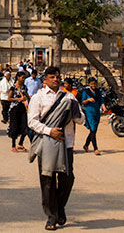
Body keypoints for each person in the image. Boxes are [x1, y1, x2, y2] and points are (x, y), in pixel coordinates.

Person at [27, 66, 82, 230]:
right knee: (48, 181)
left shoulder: (69, 98)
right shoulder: (38, 98)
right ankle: (51, 216)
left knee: (67, 179)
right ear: (45, 80)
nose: (56, 79)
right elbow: (32, 121)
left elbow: (81, 120)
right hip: (47, 144)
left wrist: (76, 114)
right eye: (52, 77)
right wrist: (49, 131)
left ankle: (59, 207)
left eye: (58, 77)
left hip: (66, 143)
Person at [80, 77, 103, 154]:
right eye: (92, 84)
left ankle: (86, 145)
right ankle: (95, 148)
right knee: (92, 129)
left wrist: (103, 106)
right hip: (89, 112)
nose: (94, 85)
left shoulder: (98, 91)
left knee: (94, 130)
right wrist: (88, 100)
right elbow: (83, 102)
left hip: (97, 112)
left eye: (95, 84)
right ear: (89, 84)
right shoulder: (86, 92)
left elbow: (101, 100)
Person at [8, 71, 30, 152]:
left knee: (25, 125)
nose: (23, 79)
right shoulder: (13, 87)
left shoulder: (24, 87)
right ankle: (13, 144)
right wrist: (19, 99)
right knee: (14, 126)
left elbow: (27, 96)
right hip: (14, 108)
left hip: (22, 108)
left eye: (24, 78)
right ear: (18, 77)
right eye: (22, 77)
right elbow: (9, 98)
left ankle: (20, 143)